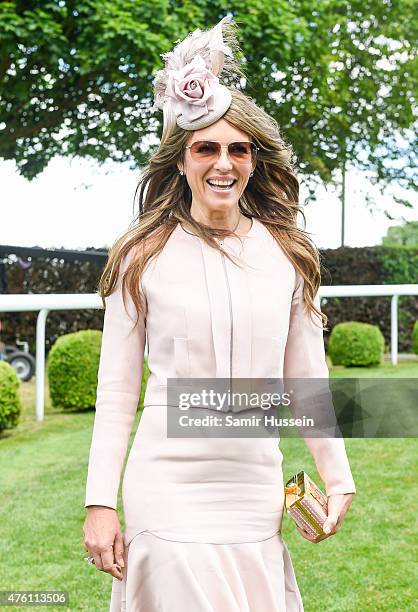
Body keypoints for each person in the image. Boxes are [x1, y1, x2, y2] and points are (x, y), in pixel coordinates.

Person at [83, 16, 356, 611]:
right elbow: (116, 391)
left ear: (254, 162)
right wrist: (100, 501)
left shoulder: (289, 255)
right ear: (180, 161)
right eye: (205, 147)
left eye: (238, 149)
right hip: (165, 485)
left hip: (254, 488)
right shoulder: (140, 255)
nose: (222, 162)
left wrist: (338, 478)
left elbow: (306, 383)